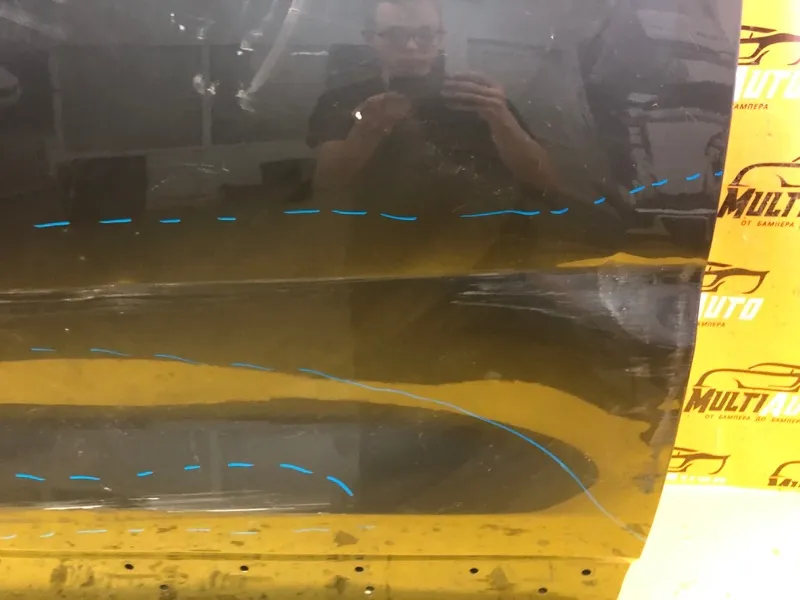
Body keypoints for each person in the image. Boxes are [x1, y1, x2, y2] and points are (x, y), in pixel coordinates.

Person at [306, 0, 558, 221]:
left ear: (440, 38)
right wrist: (366, 131)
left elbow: (544, 182)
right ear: (370, 38)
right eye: (396, 35)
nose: (412, 46)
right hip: (384, 239)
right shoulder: (342, 100)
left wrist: (501, 118)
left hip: (489, 238)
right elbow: (327, 184)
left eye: (424, 34)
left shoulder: (476, 97)